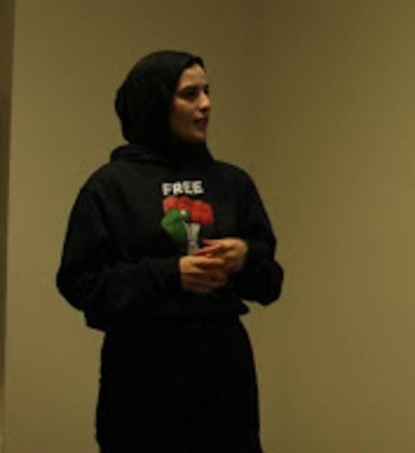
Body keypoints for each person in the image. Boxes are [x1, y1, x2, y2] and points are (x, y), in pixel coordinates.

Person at [57, 51, 283, 453]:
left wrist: (245, 256)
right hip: (142, 374)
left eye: (208, 92)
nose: (207, 104)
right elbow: (79, 282)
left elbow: (270, 283)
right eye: (190, 94)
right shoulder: (110, 187)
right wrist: (168, 275)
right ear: (155, 103)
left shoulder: (233, 183)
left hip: (224, 372)